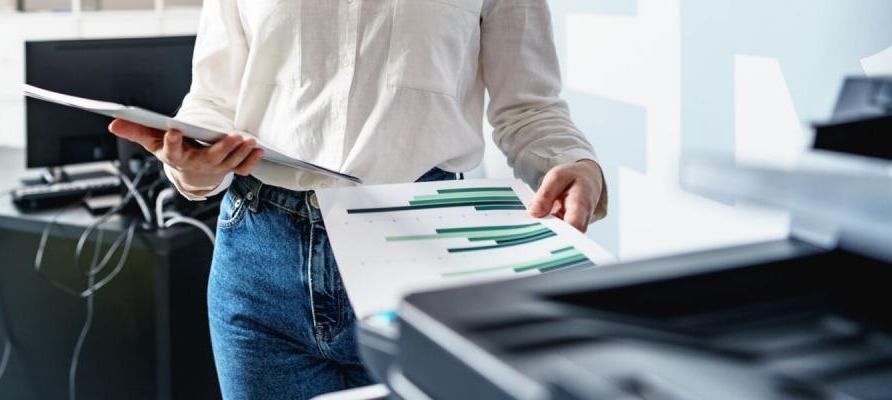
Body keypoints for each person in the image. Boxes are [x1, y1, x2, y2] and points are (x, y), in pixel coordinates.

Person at [109, 0, 608, 397]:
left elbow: (530, 108)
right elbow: (214, 99)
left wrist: (574, 162)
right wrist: (194, 158)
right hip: (258, 261)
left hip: (419, 259)